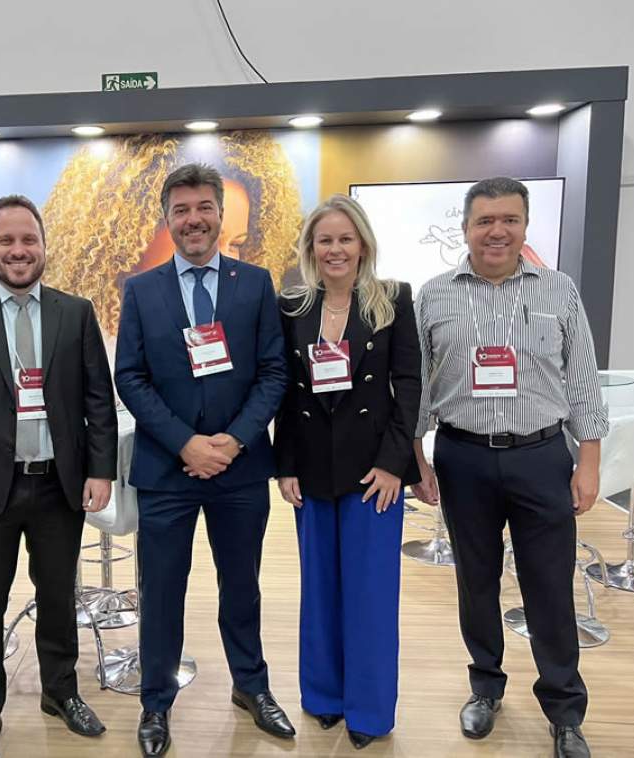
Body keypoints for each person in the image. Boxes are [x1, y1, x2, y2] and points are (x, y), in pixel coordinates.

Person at [412, 177, 607, 758]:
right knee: (476, 582)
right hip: (463, 456)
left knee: (549, 585)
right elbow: (417, 386)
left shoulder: (559, 290)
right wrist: (417, 457)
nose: (497, 231)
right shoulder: (434, 295)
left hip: (541, 456)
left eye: (509, 220)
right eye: (484, 221)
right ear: (466, 228)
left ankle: (564, 710)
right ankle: (485, 687)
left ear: (524, 226)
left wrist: (588, 461)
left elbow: (583, 380)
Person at [0, 195, 118, 758]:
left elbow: (97, 399)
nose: (18, 250)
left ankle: (60, 691)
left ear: (43, 246)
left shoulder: (75, 312)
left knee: (58, 598)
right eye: (6, 241)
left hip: (59, 486)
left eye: (28, 239)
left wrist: (100, 470)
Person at [114, 163, 293, 757]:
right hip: (167, 470)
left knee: (241, 586)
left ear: (219, 214)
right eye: (181, 210)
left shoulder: (255, 284)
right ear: (167, 220)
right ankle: (156, 702)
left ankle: (252, 686)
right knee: (162, 591)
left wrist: (233, 441)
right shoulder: (141, 290)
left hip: (239, 469)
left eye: (203, 208)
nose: (194, 220)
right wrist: (186, 444)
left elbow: (273, 372)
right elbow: (130, 377)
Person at [274, 195, 421, 749]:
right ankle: (323, 697)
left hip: (373, 474)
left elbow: (409, 387)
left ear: (363, 245)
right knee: (319, 590)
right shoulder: (292, 306)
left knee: (370, 596)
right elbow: (286, 393)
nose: (335, 249)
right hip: (312, 470)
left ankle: (369, 710)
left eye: (345, 239)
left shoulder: (393, 300)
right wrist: (285, 464)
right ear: (311, 248)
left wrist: (393, 464)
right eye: (325, 240)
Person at [41, 131, 303, 339]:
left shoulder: (252, 290)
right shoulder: (94, 328)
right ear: (130, 236)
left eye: (237, 244)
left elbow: (271, 369)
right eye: (184, 215)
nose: (218, 252)